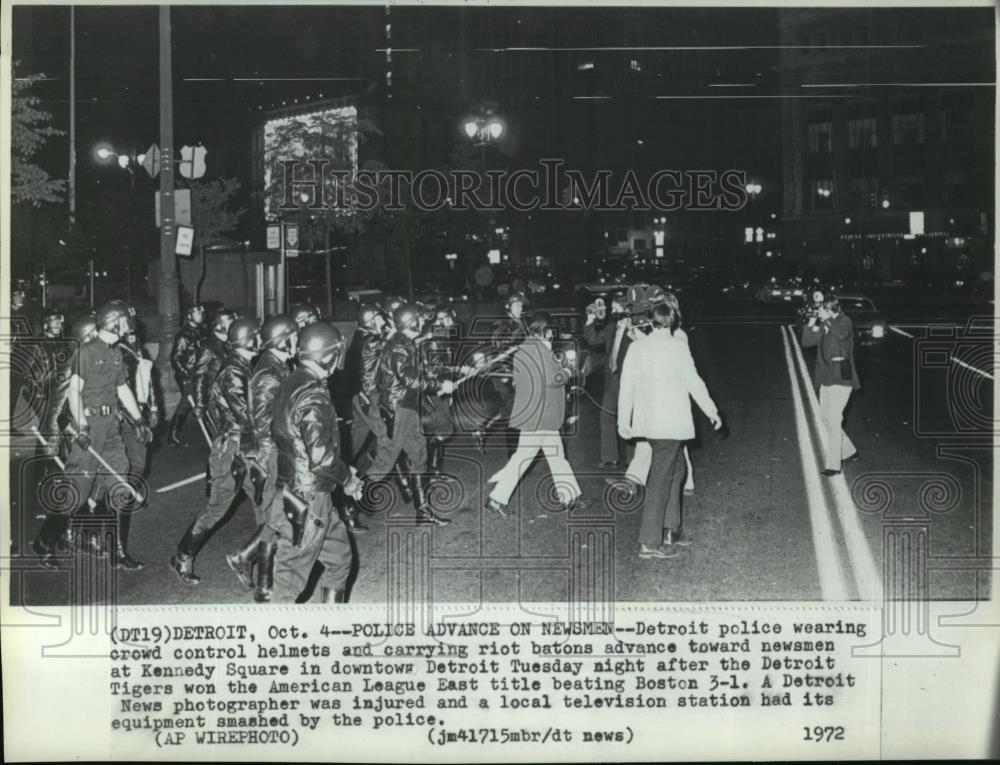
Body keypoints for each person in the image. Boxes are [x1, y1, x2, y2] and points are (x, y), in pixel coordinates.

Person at [50, 301, 150, 569]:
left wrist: (138, 419)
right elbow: (74, 392)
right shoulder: (87, 352)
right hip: (90, 426)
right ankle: (46, 542)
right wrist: (81, 426)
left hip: (111, 427)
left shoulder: (116, 352)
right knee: (78, 494)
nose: (131, 323)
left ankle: (118, 552)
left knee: (120, 486)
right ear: (114, 323)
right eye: (126, 320)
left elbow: (123, 389)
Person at [618, 301, 721, 560]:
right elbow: (693, 382)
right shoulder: (677, 347)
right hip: (671, 425)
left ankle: (672, 530)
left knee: (677, 470)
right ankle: (649, 541)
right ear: (672, 320)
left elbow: (626, 386)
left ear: (651, 320)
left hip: (649, 424)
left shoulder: (637, 347)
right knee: (662, 479)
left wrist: (623, 420)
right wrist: (711, 411)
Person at [270, 322, 363, 603]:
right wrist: (348, 480)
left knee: (340, 558)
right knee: (288, 583)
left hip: (297, 490)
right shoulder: (313, 393)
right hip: (310, 499)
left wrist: (342, 470)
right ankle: (270, 642)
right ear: (330, 355)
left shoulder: (292, 380)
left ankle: (329, 630)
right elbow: (321, 458)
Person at [170, 317, 260, 585]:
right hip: (232, 449)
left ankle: (257, 559)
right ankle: (183, 556)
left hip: (245, 446)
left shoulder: (243, 365)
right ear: (249, 340)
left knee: (265, 505)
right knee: (218, 508)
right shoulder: (234, 371)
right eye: (257, 335)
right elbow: (246, 415)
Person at [225, 314, 298, 602]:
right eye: (294, 335)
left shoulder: (277, 365)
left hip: (277, 451)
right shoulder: (269, 373)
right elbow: (265, 424)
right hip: (273, 453)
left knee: (277, 517)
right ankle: (258, 575)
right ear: (282, 340)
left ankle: (258, 574)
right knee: (276, 517)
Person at [361, 303, 455, 526]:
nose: (423, 322)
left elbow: (414, 377)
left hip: (408, 408)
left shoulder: (406, 343)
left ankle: (422, 512)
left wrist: (439, 378)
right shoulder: (398, 347)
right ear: (411, 322)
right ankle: (349, 498)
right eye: (420, 319)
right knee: (385, 463)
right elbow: (410, 379)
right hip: (397, 411)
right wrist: (438, 383)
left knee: (419, 454)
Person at [485, 312, 582, 517]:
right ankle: (496, 499)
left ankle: (570, 495)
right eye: (550, 329)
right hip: (539, 415)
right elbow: (553, 378)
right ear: (544, 329)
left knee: (556, 455)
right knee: (524, 458)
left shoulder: (527, 347)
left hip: (538, 413)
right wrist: (567, 372)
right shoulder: (539, 349)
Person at [29, 313, 96, 567]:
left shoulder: (81, 355)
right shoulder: (69, 362)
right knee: (69, 493)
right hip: (61, 436)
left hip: (77, 432)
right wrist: (55, 434)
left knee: (85, 489)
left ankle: (71, 535)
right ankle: (44, 543)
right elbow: (53, 402)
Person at [342, 303, 413, 523]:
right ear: (373, 320)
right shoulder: (374, 340)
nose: (384, 319)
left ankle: (404, 487)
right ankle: (353, 500)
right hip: (370, 401)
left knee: (350, 448)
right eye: (381, 317)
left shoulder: (358, 337)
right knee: (390, 446)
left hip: (357, 400)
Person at [800, 296, 860, 475]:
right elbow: (806, 341)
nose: (820, 312)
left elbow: (842, 334)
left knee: (834, 420)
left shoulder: (844, 321)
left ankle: (834, 464)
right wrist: (812, 321)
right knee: (826, 418)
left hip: (842, 379)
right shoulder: (825, 325)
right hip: (826, 378)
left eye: (823, 309)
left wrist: (827, 318)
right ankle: (849, 451)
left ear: (832, 308)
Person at [486, 292, 529, 455]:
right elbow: (498, 346)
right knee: (513, 412)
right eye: (517, 305)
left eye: (521, 305)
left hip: (516, 371)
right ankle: (513, 451)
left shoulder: (520, 321)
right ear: (508, 306)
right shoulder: (501, 322)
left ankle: (485, 430)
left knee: (512, 409)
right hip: (504, 373)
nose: (520, 308)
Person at [168, 304, 206, 445]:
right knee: (186, 404)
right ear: (190, 316)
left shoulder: (202, 331)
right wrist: (188, 375)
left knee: (192, 403)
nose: (201, 316)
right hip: (189, 376)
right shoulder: (184, 335)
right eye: (198, 313)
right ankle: (172, 436)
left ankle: (173, 436)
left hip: (199, 374)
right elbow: (175, 359)